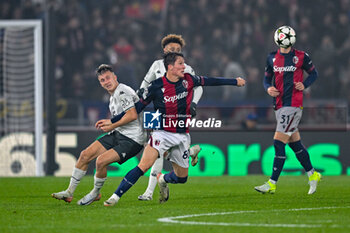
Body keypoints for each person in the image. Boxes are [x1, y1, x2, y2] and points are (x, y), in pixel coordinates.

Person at [101, 52, 245, 206]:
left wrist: (234, 81)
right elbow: (136, 107)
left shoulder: (189, 80)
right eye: (180, 64)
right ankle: (115, 197)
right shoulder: (156, 86)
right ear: (170, 67)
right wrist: (113, 120)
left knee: (182, 178)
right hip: (161, 133)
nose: (184, 67)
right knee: (143, 165)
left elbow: (210, 81)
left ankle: (163, 179)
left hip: (182, 135)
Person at [51, 64, 146, 205]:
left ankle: (95, 193)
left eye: (108, 78)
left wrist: (112, 124)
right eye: (102, 80)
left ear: (115, 77)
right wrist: (112, 126)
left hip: (133, 139)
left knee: (101, 161)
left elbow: (132, 115)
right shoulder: (112, 96)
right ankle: (69, 192)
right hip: (118, 133)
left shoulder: (122, 92)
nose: (106, 82)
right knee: (85, 155)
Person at [254, 26, 321, 195]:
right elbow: (266, 79)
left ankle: (272, 183)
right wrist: (268, 88)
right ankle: (313, 175)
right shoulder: (271, 58)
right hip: (279, 105)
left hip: (294, 105)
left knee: (278, 142)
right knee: (296, 145)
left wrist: (304, 85)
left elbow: (314, 74)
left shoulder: (301, 57)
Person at [137, 34, 203, 201]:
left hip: (177, 112)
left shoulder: (185, 68)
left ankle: (188, 152)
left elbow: (199, 88)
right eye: (171, 49)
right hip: (158, 111)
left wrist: (193, 103)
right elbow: (145, 83)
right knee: (158, 151)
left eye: (178, 50)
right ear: (164, 49)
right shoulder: (156, 65)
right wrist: (140, 94)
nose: (174, 51)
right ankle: (149, 192)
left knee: (162, 150)